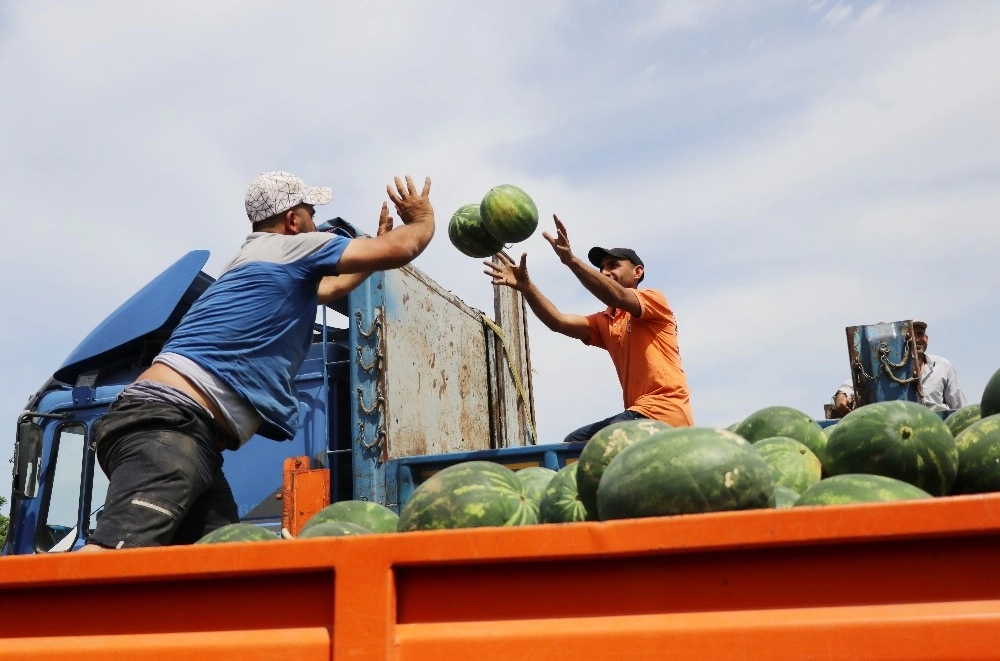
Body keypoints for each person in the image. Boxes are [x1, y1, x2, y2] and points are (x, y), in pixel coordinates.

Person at [80, 172, 435, 550]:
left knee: (221, 563)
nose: (316, 223)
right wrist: (422, 219)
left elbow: (333, 286)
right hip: (167, 426)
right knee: (110, 557)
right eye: (311, 212)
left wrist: (374, 251)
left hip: (184, 433)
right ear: (293, 221)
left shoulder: (254, 261)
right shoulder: (294, 248)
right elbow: (405, 248)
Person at [484, 215, 694, 443]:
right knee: (573, 443)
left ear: (638, 272)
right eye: (602, 267)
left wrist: (570, 260)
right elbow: (558, 321)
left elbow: (616, 294)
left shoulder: (654, 301)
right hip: (638, 414)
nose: (605, 271)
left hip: (665, 412)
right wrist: (527, 288)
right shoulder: (606, 320)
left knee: (607, 439)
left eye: (614, 265)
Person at [831, 320, 967, 415]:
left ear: (926, 339)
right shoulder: (889, 366)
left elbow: (960, 408)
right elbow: (860, 380)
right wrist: (842, 395)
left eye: (920, 334)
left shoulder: (943, 366)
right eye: (911, 335)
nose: (916, 339)